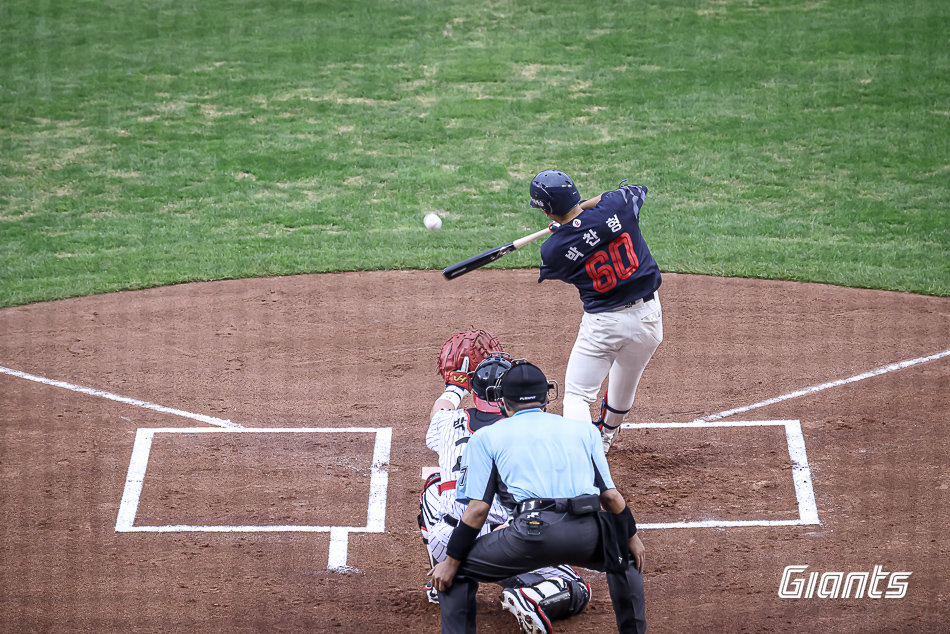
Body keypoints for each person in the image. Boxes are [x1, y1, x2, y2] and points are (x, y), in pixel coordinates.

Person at [429, 361, 646, 634]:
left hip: (530, 535)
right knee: (624, 558)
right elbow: (612, 497)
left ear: (504, 402)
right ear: (546, 398)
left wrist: (450, 563)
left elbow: (477, 510)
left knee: (458, 571)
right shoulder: (585, 431)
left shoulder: (486, 437)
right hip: (588, 532)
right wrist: (632, 539)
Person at [419, 352, 591, 633]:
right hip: (501, 545)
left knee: (434, 487)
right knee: (574, 586)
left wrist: (455, 385)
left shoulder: (447, 422)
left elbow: (439, 408)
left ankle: (441, 579)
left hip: (448, 539)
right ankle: (530, 596)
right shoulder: (526, 431)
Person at [530, 169, 663, 453]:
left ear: (546, 213)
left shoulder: (552, 250)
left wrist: (568, 229)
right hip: (648, 320)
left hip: (604, 325)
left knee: (577, 396)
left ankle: (581, 459)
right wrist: (582, 215)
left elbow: (550, 270)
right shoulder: (619, 207)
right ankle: (605, 438)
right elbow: (634, 189)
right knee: (626, 379)